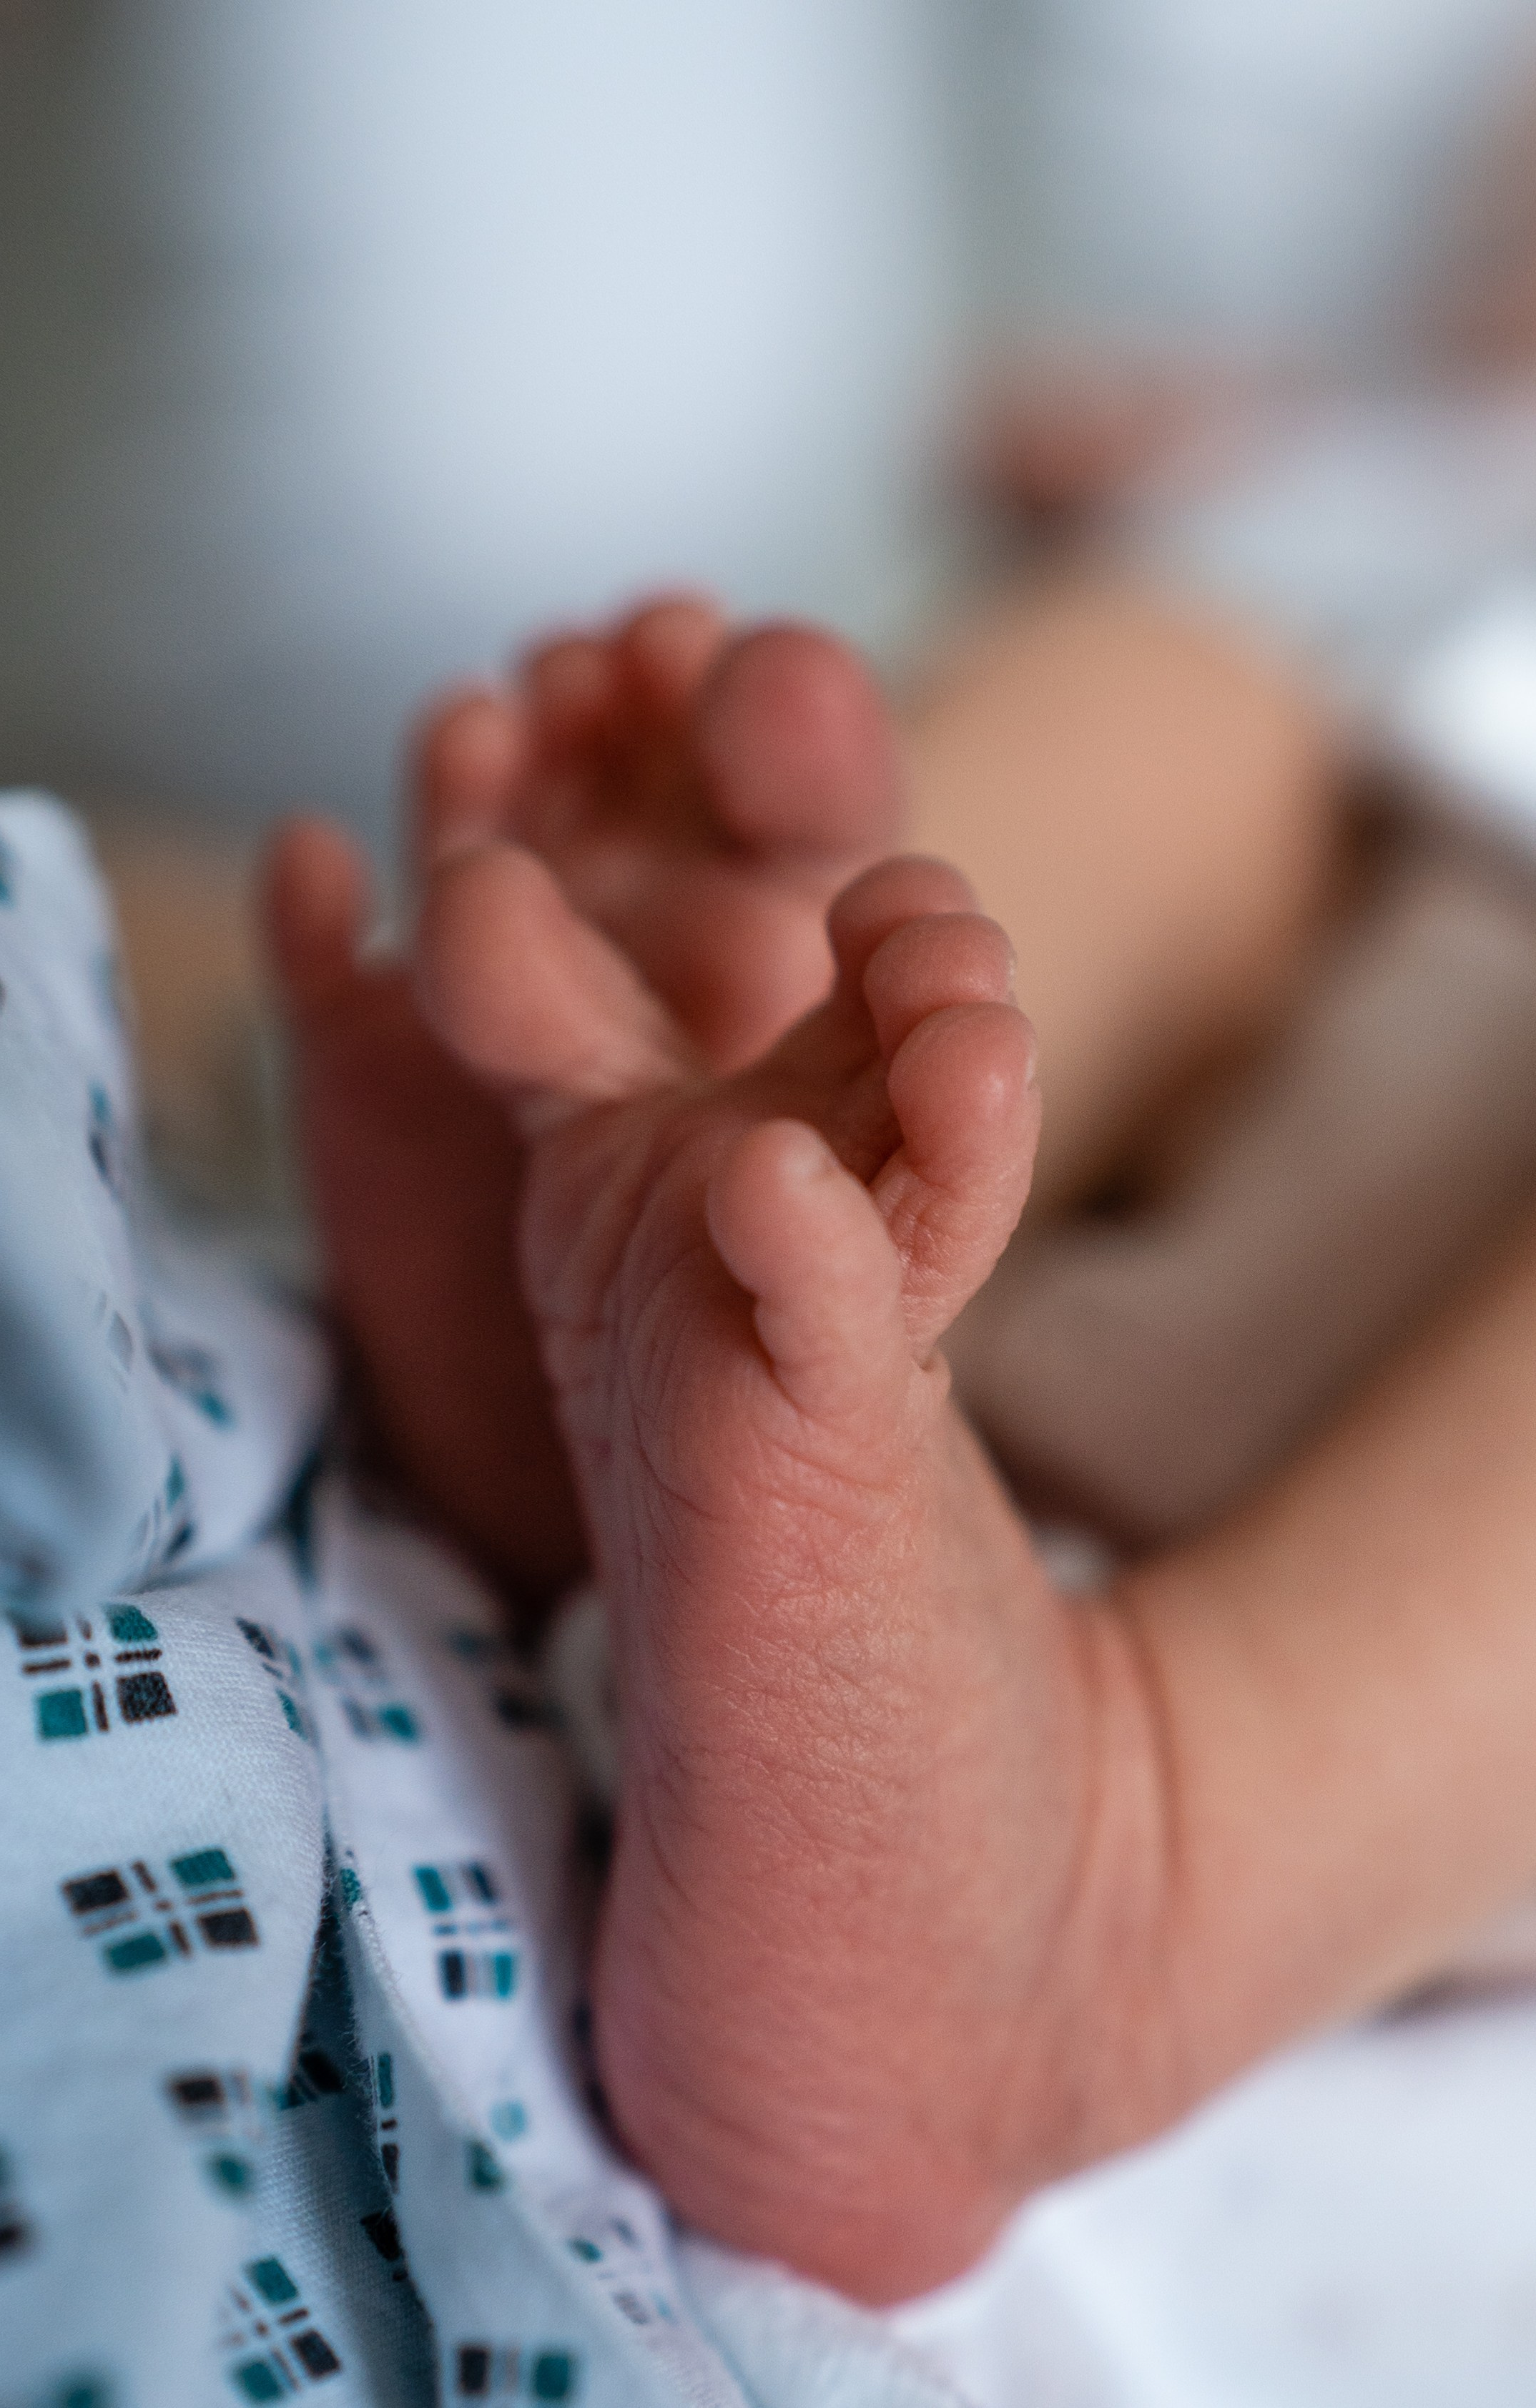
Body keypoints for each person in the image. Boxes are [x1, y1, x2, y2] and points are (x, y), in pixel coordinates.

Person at [265, 594, 1536, 2304]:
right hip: (1382, 939)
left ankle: (1128, 1879)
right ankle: (734, 1143)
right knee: (1177, 685)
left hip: (1422, 1672)